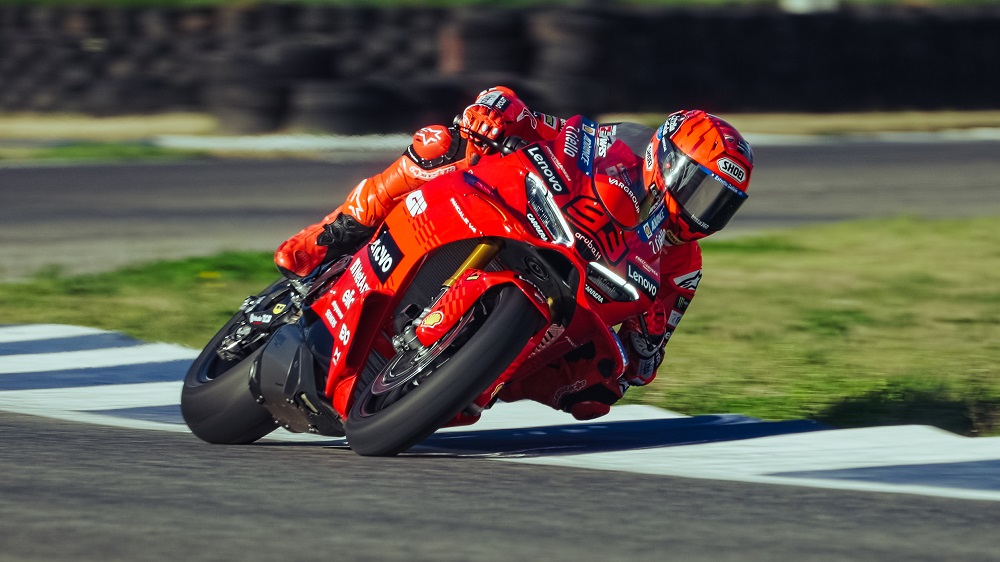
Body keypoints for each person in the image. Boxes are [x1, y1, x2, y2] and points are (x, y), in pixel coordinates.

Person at [275, 86, 754, 421]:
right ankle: (328, 235)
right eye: (700, 189)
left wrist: (646, 340)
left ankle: (474, 380)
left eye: (720, 204)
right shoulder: (618, 145)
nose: (702, 212)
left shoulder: (684, 266)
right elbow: (545, 127)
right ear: (666, 159)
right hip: (532, 220)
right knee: (442, 144)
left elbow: (645, 364)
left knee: (601, 388)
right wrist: (498, 111)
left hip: (573, 299)